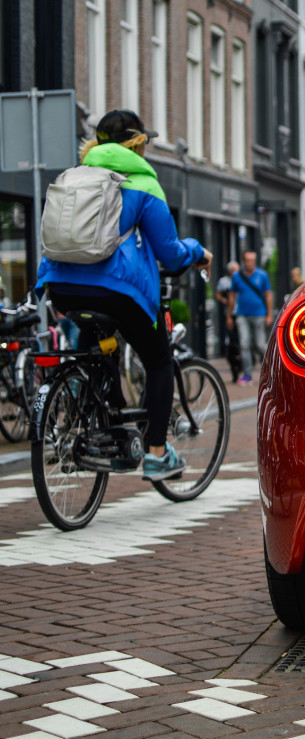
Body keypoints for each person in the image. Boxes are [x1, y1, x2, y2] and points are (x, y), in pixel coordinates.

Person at [36, 109, 211, 481]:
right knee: (159, 361)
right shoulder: (144, 183)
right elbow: (170, 253)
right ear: (137, 144)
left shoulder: (72, 177)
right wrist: (198, 251)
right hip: (114, 292)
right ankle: (157, 454)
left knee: (96, 348)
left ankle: (104, 419)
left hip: (61, 288)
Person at [227, 250, 272, 385]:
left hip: (259, 314)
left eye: (253, 260)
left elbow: (268, 295)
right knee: (244, 344)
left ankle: (271, 371)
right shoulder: (237, 276)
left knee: (259, 345)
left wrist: (269, 314)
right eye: (248, 260)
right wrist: (229, 316)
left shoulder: (262, 275)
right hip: (242, 315)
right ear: (243, 261)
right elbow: (232, 296)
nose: (251, 263)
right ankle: (247, 375)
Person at [215, 261, 244, 383]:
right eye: (233, 270)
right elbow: (218, 294)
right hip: (230, 313)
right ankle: (235, 366)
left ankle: (242, 363)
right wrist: (223, 300)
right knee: (232, 342)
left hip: (242, 313)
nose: (235, 272)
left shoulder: (242, 280)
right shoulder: (224, 281)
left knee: (242, 341)